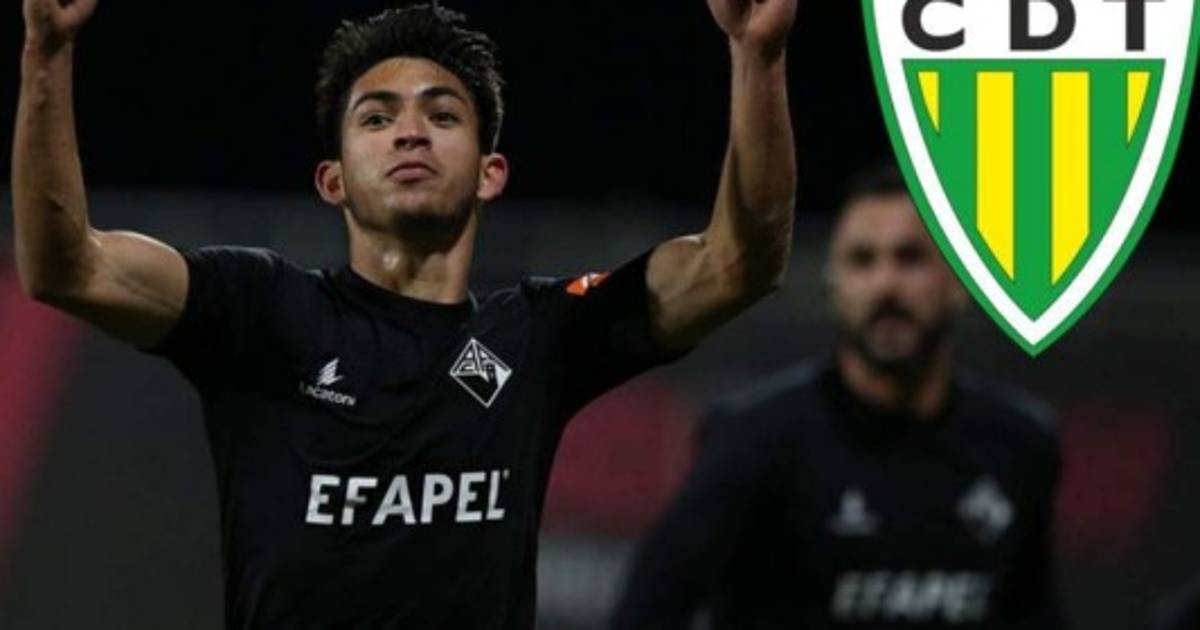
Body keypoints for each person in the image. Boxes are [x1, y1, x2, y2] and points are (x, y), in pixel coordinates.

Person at [12, 1, 798, 628]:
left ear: (490, 174)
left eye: (443, 116)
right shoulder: (259, 311)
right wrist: (47, 51)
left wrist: (756, 58)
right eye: (377, 118)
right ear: (333, 181)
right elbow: (66, 268)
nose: (411, 133)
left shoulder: (539, 335)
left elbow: (739, 264)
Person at [611, 164, 1063, 630]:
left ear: (961, 279)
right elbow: (646, 611)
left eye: (910, 258)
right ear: (835, 285)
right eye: (862, 260)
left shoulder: (1019, 445)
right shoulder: (752, 443)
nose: (886, 285)